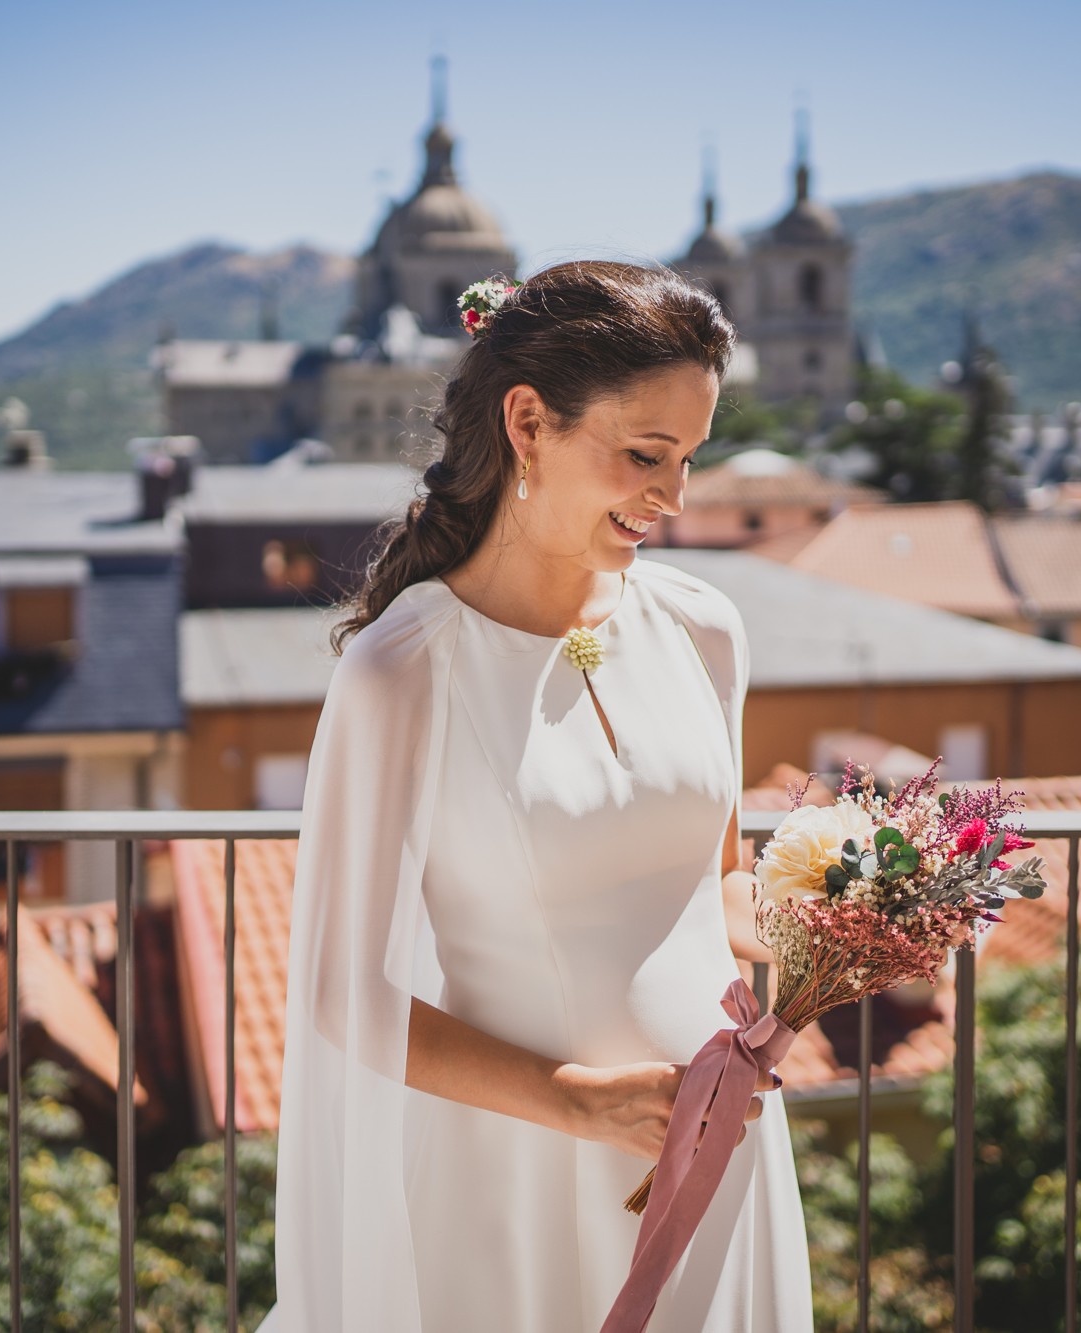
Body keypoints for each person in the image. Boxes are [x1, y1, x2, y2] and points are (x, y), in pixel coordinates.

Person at [270, 261, 810, 1332]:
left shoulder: (705, 628)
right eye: (643, 455)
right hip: (514, 1176)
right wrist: (572, 1100)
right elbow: (341, 993)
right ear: (528, 422)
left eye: (688, 459)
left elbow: (720, 887)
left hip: (718, 1147)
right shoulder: (403, 671)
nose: (672, 496)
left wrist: (845, 919)